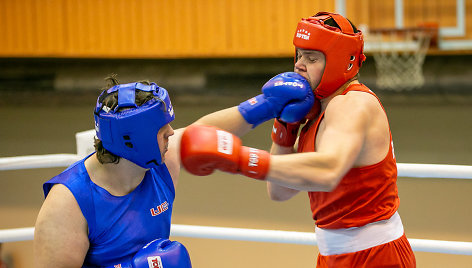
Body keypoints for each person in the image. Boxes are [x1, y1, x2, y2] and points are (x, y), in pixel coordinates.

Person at [179, 12, 416, 267]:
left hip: (375, 255)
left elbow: (328, 171)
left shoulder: (352, 104)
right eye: (299, 55)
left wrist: (240, 159)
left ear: (342, 61)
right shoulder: (315, 111)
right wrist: (284, 130)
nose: (299, 65)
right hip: (333, 254)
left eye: (311, 58)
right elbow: (279, 191)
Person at [34, 72, 315, 267]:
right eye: (162, 129)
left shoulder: (158, 164)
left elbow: (203, 132)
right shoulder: (68, 203)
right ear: (132, 140)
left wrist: (267, 105)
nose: (171, 133)